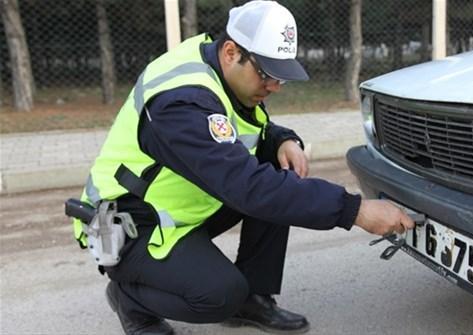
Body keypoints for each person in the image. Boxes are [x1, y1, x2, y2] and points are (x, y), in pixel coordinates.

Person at [72, 1, 414, 334]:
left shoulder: (220, 70)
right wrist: (355, 211)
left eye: (281, 76)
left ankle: (253, 298)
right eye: (267, 74)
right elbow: (247, 186)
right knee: (219, 294)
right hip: (129, 224)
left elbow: (243, 129)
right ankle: (130, 298)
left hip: (176, 210)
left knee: (277, 172)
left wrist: (281, 139)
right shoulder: (179, 103)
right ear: (232, 52)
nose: (275, 87)